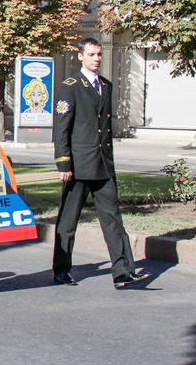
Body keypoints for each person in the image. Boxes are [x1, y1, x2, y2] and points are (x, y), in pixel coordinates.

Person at [52, 38, 147, 289]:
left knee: (113, 219)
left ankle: (123, 270)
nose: (96, 59)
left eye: (99, 55)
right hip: (79, 166)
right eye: (92, 54)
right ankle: (62, 270)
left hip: (103, 165)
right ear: (80, 56)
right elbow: (61, 127)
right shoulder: (70, 87)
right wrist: (64, 164)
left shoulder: (105, 85)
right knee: (68, 222)